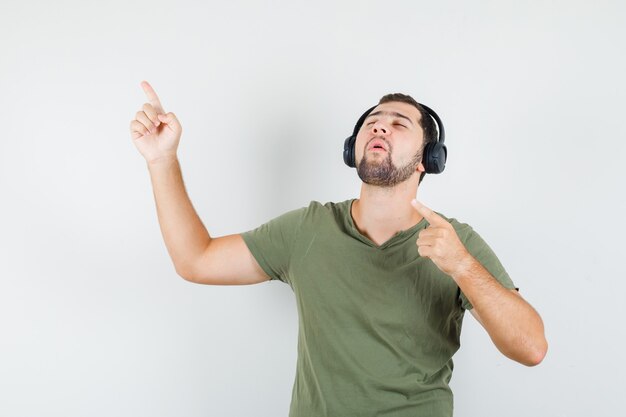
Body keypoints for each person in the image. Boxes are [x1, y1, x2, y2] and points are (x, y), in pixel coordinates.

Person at [130, 81, 548, 417]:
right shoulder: (308, 229)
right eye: (372, 122)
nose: (380, 127)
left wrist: (462, 267)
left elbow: (531, 348)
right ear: (353, 147)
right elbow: (195, 260)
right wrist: (162, 161)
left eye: (399, 124)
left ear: (428, 160)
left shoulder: (456, 243)